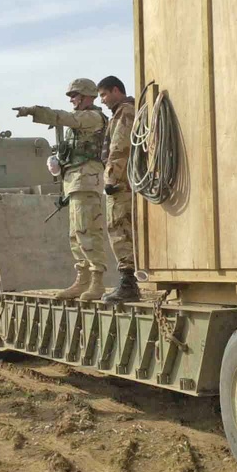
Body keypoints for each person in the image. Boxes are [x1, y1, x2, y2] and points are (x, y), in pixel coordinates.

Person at [13, 78, 109, 300]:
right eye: (71, 96)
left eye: (75, 96)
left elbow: (63, 118)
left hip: (86, 180)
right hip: (74, 181)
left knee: (88, 231)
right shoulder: (79, 121)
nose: (72, 100)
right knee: (76, 234)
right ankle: (82, 280)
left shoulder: (91, 117)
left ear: (87, 97)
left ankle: (97, 282)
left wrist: (33, 111)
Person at [97, 76, 139, 303]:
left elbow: (119, 147)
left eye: (104, 94)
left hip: (121, 184)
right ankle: (128, 282)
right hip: (125, 181)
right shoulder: (123, 112)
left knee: (119, 229)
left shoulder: (125, 112)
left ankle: (129, 284)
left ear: (116, 90)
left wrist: (110, 180)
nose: (102, 100)